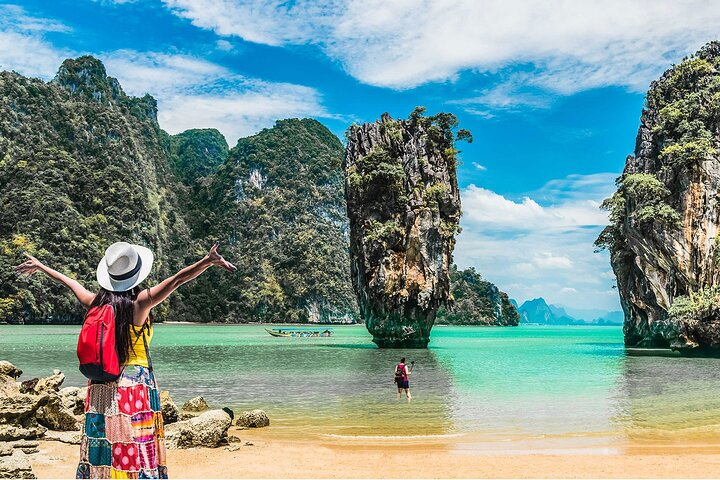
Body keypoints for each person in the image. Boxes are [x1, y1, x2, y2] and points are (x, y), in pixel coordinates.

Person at [15, 241, 236, 479]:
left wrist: (40, 266)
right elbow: (177, 280)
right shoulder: (140, 303)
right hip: (134, 386)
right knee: (136, 443)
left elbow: (69, 282)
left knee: (104, 442)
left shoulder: (95, 302)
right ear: (135, 274)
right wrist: (207, 261)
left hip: (101, 383)